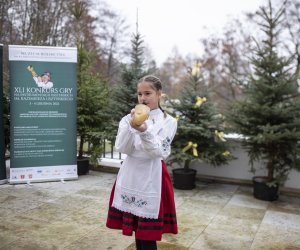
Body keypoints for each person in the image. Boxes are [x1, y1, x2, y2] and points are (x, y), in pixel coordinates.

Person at [106, 75, 178, 250]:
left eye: (148, 93)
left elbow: (160, 152)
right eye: (140, 94)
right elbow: (123, 148)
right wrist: (132, 127)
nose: (143, 98)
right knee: (138, 230)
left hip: (153, 176)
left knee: (147, 233)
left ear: (159, 94)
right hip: (131, 174)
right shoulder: (127, 119)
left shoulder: (168, 121)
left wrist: (145, 131)